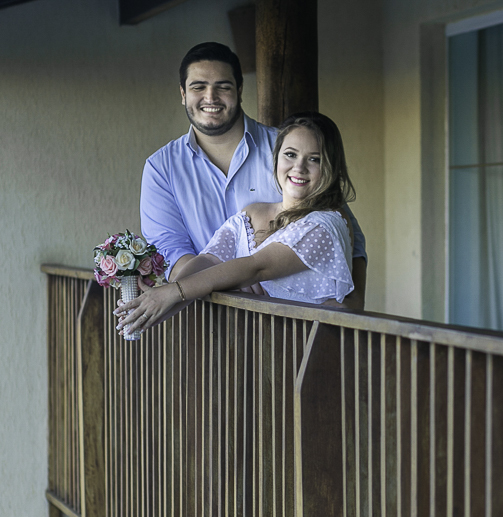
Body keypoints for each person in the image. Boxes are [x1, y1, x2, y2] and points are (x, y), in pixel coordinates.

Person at [140, 42, 367, 308]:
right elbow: (171, 246)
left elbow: (348, 233)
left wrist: (353, 306)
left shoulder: (286, 149)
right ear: (183, 93)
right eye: (198, 87)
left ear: (239, 90)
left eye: (223, 86)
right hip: (206, 312)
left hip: (291, 319)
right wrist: (224, 280)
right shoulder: (161, 167)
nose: (210, 97)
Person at [118, 113, 355, 336]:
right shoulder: (252, 212)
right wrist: (161, 302)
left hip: (303, 348)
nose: (299, 167)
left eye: (314, 159)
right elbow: (210, 260)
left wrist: (173, 293)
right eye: (290, 154)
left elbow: (256, 267)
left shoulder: (326, 225)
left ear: (330, 167)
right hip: (250, 350)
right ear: (276, 157)